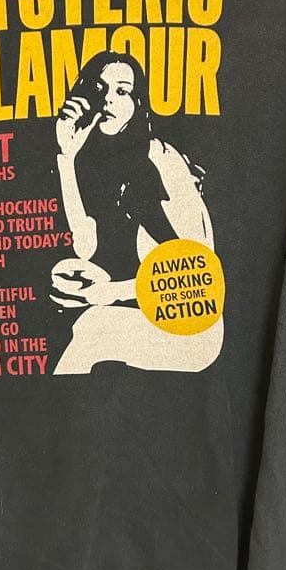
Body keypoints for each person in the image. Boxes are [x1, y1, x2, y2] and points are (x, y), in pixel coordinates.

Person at [50, 49, 224, 374]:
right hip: (142, 310)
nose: (108, 100)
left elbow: (200, 270)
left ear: (137, 103)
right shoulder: (94, 159)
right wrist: (67, 157)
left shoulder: (161, 159)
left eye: (122, 91)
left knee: (92, 328)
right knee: (84, 327)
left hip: (191, 326)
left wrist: (110, 293)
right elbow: (85, 246)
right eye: (100, 89)